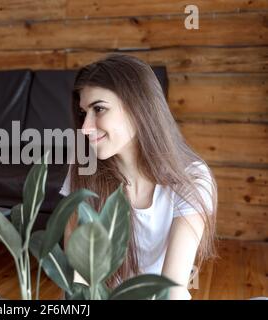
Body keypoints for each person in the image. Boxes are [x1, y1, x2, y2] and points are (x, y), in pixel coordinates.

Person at [61, 54, 218, 300]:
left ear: (138, 107)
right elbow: (77, 279)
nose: (85, 127)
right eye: (83, 113)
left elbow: (172, 289)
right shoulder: (83, 168)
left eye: (99, 109)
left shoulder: (192, 178)